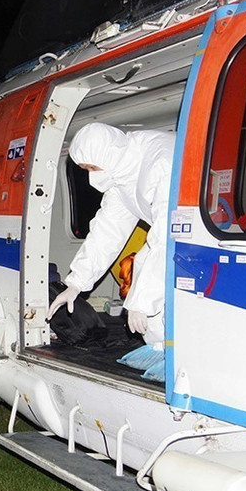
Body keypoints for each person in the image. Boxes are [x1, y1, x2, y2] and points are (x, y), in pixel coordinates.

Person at [48, 122, 175, 381]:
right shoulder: (122, 173)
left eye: (92, 168)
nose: (92, 176)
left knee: (158, 276)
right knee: (141, 264)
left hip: (196, 234)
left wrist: (142, 302)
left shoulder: (160, 162)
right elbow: (107, 231)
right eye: (85, 170)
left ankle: (174, 354)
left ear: (108, 155)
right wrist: (76, 283)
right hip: (170, 236)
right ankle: (158, 348)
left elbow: (166, 237)